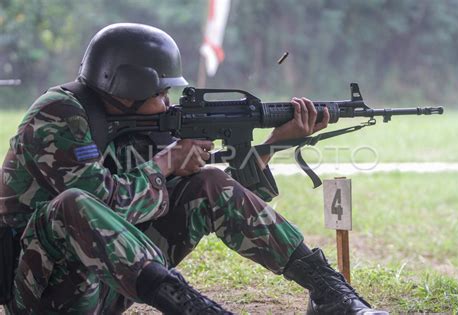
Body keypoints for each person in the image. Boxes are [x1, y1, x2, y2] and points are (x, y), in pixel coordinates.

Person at [0, 23, 388, 314]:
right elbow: (100, 207)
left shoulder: (142, 122)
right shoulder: (59, 114)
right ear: (129, 87)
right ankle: (190, 307)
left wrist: (277, 143)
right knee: (73, 203)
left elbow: (230, 201)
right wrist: (167, 162)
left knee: (208, 180)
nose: (169, 103)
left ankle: (327, 290)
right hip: (39, 288)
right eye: (161, 92)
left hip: (108, 285)